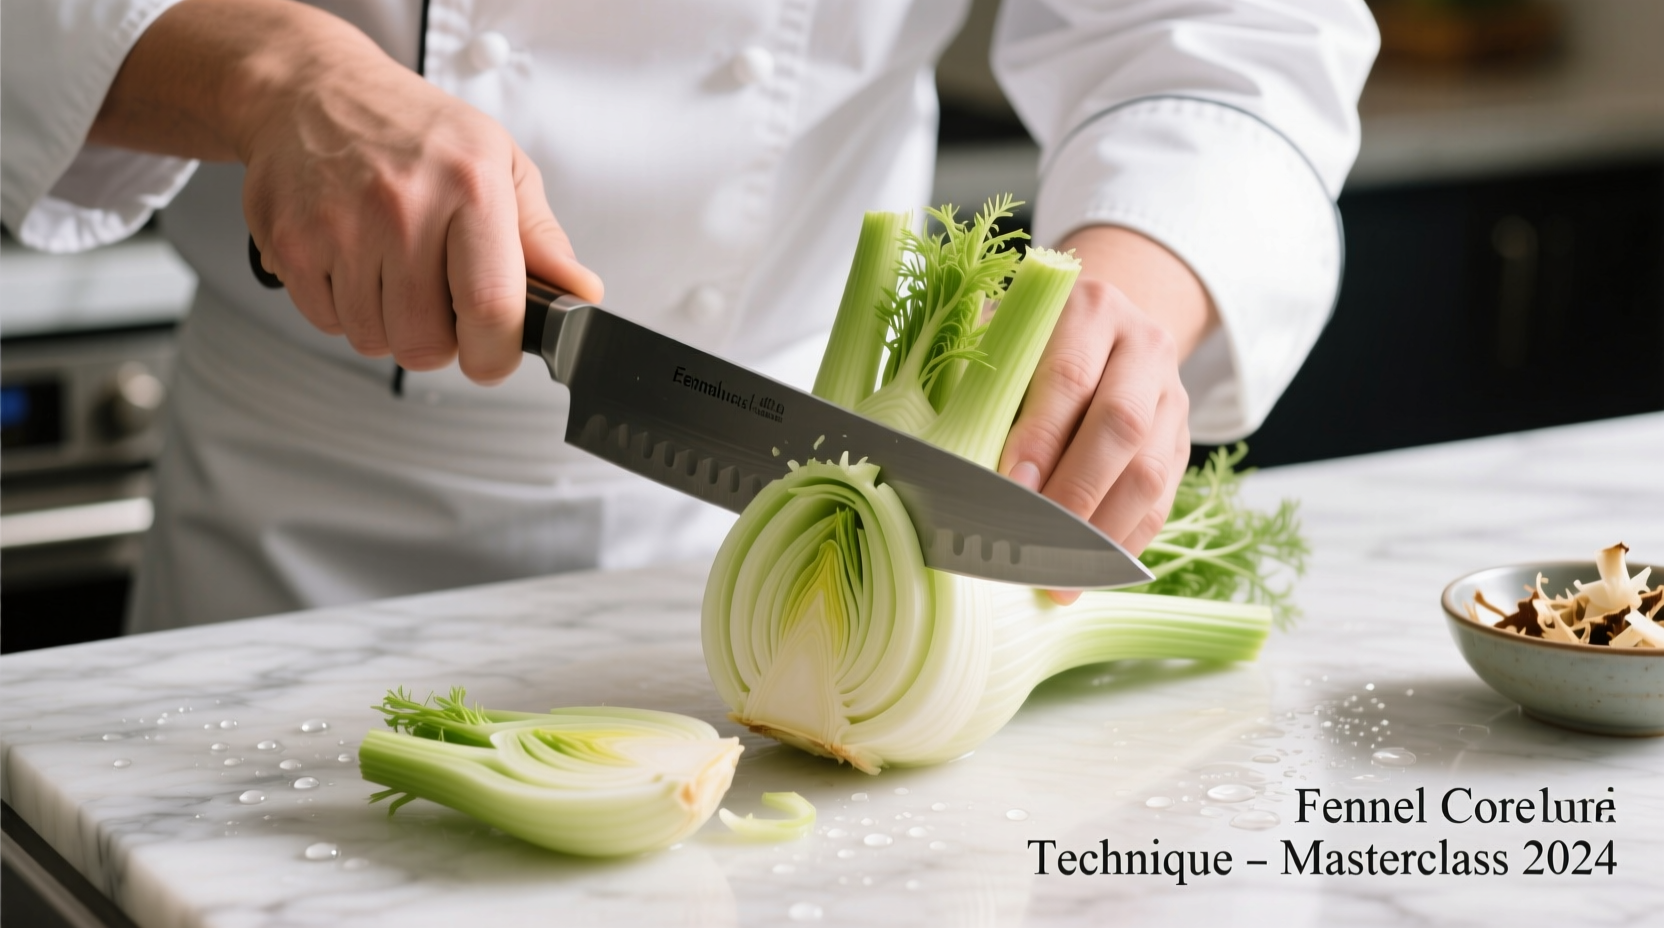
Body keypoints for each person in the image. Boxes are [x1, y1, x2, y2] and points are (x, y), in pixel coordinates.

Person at [1, 0, 1377, 631]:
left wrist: (1131, 295)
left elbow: (1232, 32)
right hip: (290, 528)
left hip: (770, 548)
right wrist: (271, 68)